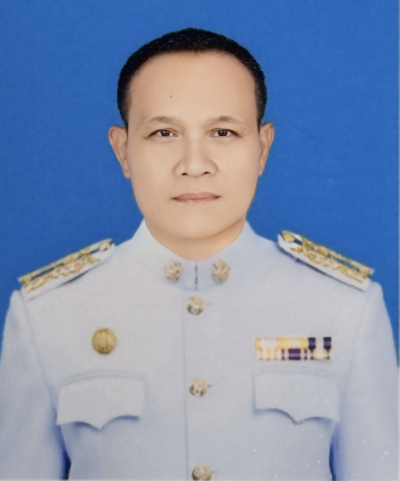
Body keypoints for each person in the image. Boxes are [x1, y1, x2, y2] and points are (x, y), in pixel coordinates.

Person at [0, 27, 397, 480]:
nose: (193, 164)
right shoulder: (47, 315)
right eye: (164, 132)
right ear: (123, 150)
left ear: (263, 148)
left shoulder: (344, 309)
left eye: (223, 132)